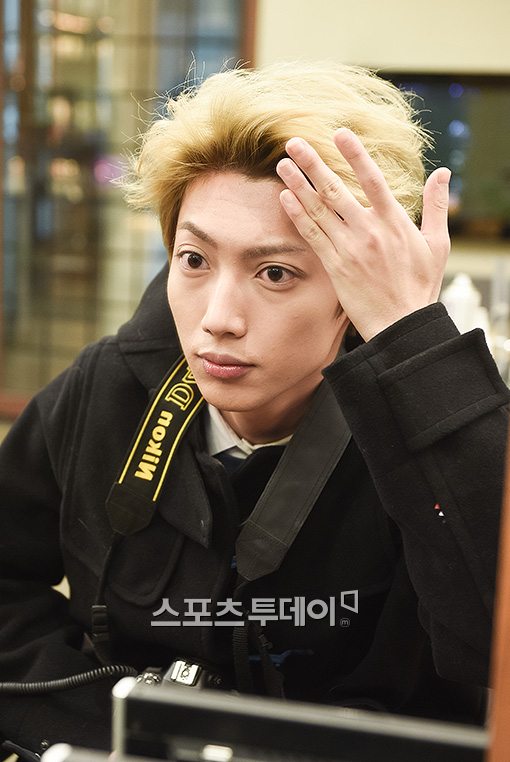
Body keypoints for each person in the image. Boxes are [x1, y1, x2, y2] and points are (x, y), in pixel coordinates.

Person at [0, 60, 508, 758]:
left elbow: (493, 643)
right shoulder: (107, 391)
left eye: (275, 273)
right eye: (194, 260)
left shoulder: (431, 425)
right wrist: (105, 730)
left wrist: (410, 340)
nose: (218, 318)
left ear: (352, 290)